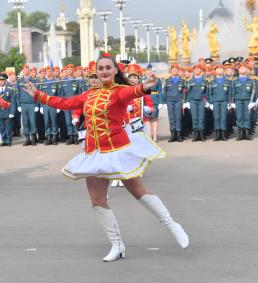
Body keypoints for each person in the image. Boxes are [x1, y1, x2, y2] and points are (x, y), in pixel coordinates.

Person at [23, 54, 189, 262]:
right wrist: (37, 95)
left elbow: (133, 91)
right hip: (95, 153)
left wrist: (145, 87)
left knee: (138, 191)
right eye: (100, 68)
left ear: (114, 71)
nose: (103, 71)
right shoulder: (88, 95)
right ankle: (117, 245)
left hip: (118, 150)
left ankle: (172, 224)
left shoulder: (119, 92)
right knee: (96, 200)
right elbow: (64, 103)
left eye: (107, 68)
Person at [208, 64, 233, 141]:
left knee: (223, 118)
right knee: (216, 118)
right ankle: (217, 135)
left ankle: (223, 135)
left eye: (221, 69)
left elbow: (230, 92)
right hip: (215, 102)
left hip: (224, 101)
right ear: (215, 71)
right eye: (217, 69)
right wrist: (211, 102)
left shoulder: (227, 80)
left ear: (223, 71)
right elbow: (210, 93)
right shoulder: (212, 81)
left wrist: (230, 102)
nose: (219, 70)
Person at [163, 64, 186, 142]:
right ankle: (173, 135)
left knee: (178, 117)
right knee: (171, 118)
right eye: (173, 69)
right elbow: (165, 91)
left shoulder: (182, 81)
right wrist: (164, 102)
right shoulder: (167, 80)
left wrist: (184, 100)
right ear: (171, 70)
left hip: (178, 101)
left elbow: (184, 91)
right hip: (169, 101)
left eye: (176, 69)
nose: (175, 71)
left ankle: (179, 135)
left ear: (178, 71)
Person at [186, 64, 209, 142]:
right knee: (194, 118)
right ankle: (196, 135)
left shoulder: (205, 81)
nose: (197, 70)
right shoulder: (190, 81)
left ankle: (201, 134)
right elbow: (188, 92)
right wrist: (187, 101)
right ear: (193, 71)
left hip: (201, 101)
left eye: (198, 69)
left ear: (201, 70)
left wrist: (207, 101)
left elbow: (207, 92)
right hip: (193, 101)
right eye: (195, 69)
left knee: (201, 118)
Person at [143, 66, 164, 142]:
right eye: (148, 71)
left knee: (154, 118)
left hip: (154, 99)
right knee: (147, 119)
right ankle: (149, 135)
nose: (149, 72)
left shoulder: (157, 80)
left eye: (151, 71)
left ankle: (155, 136)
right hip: (145, 100)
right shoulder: (143, 80)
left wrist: (161, 102)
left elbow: (160, 91)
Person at [0, 73, 17, 147]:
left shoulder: (10, 89)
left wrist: (12, 112)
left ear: (5, 81)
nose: (1, 81)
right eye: (0, 80)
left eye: (3, 80)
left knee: (8, 127)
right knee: (1, 127)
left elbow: (13, 101)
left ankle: (8, 141)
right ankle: (3, 140)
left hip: (8, 111)